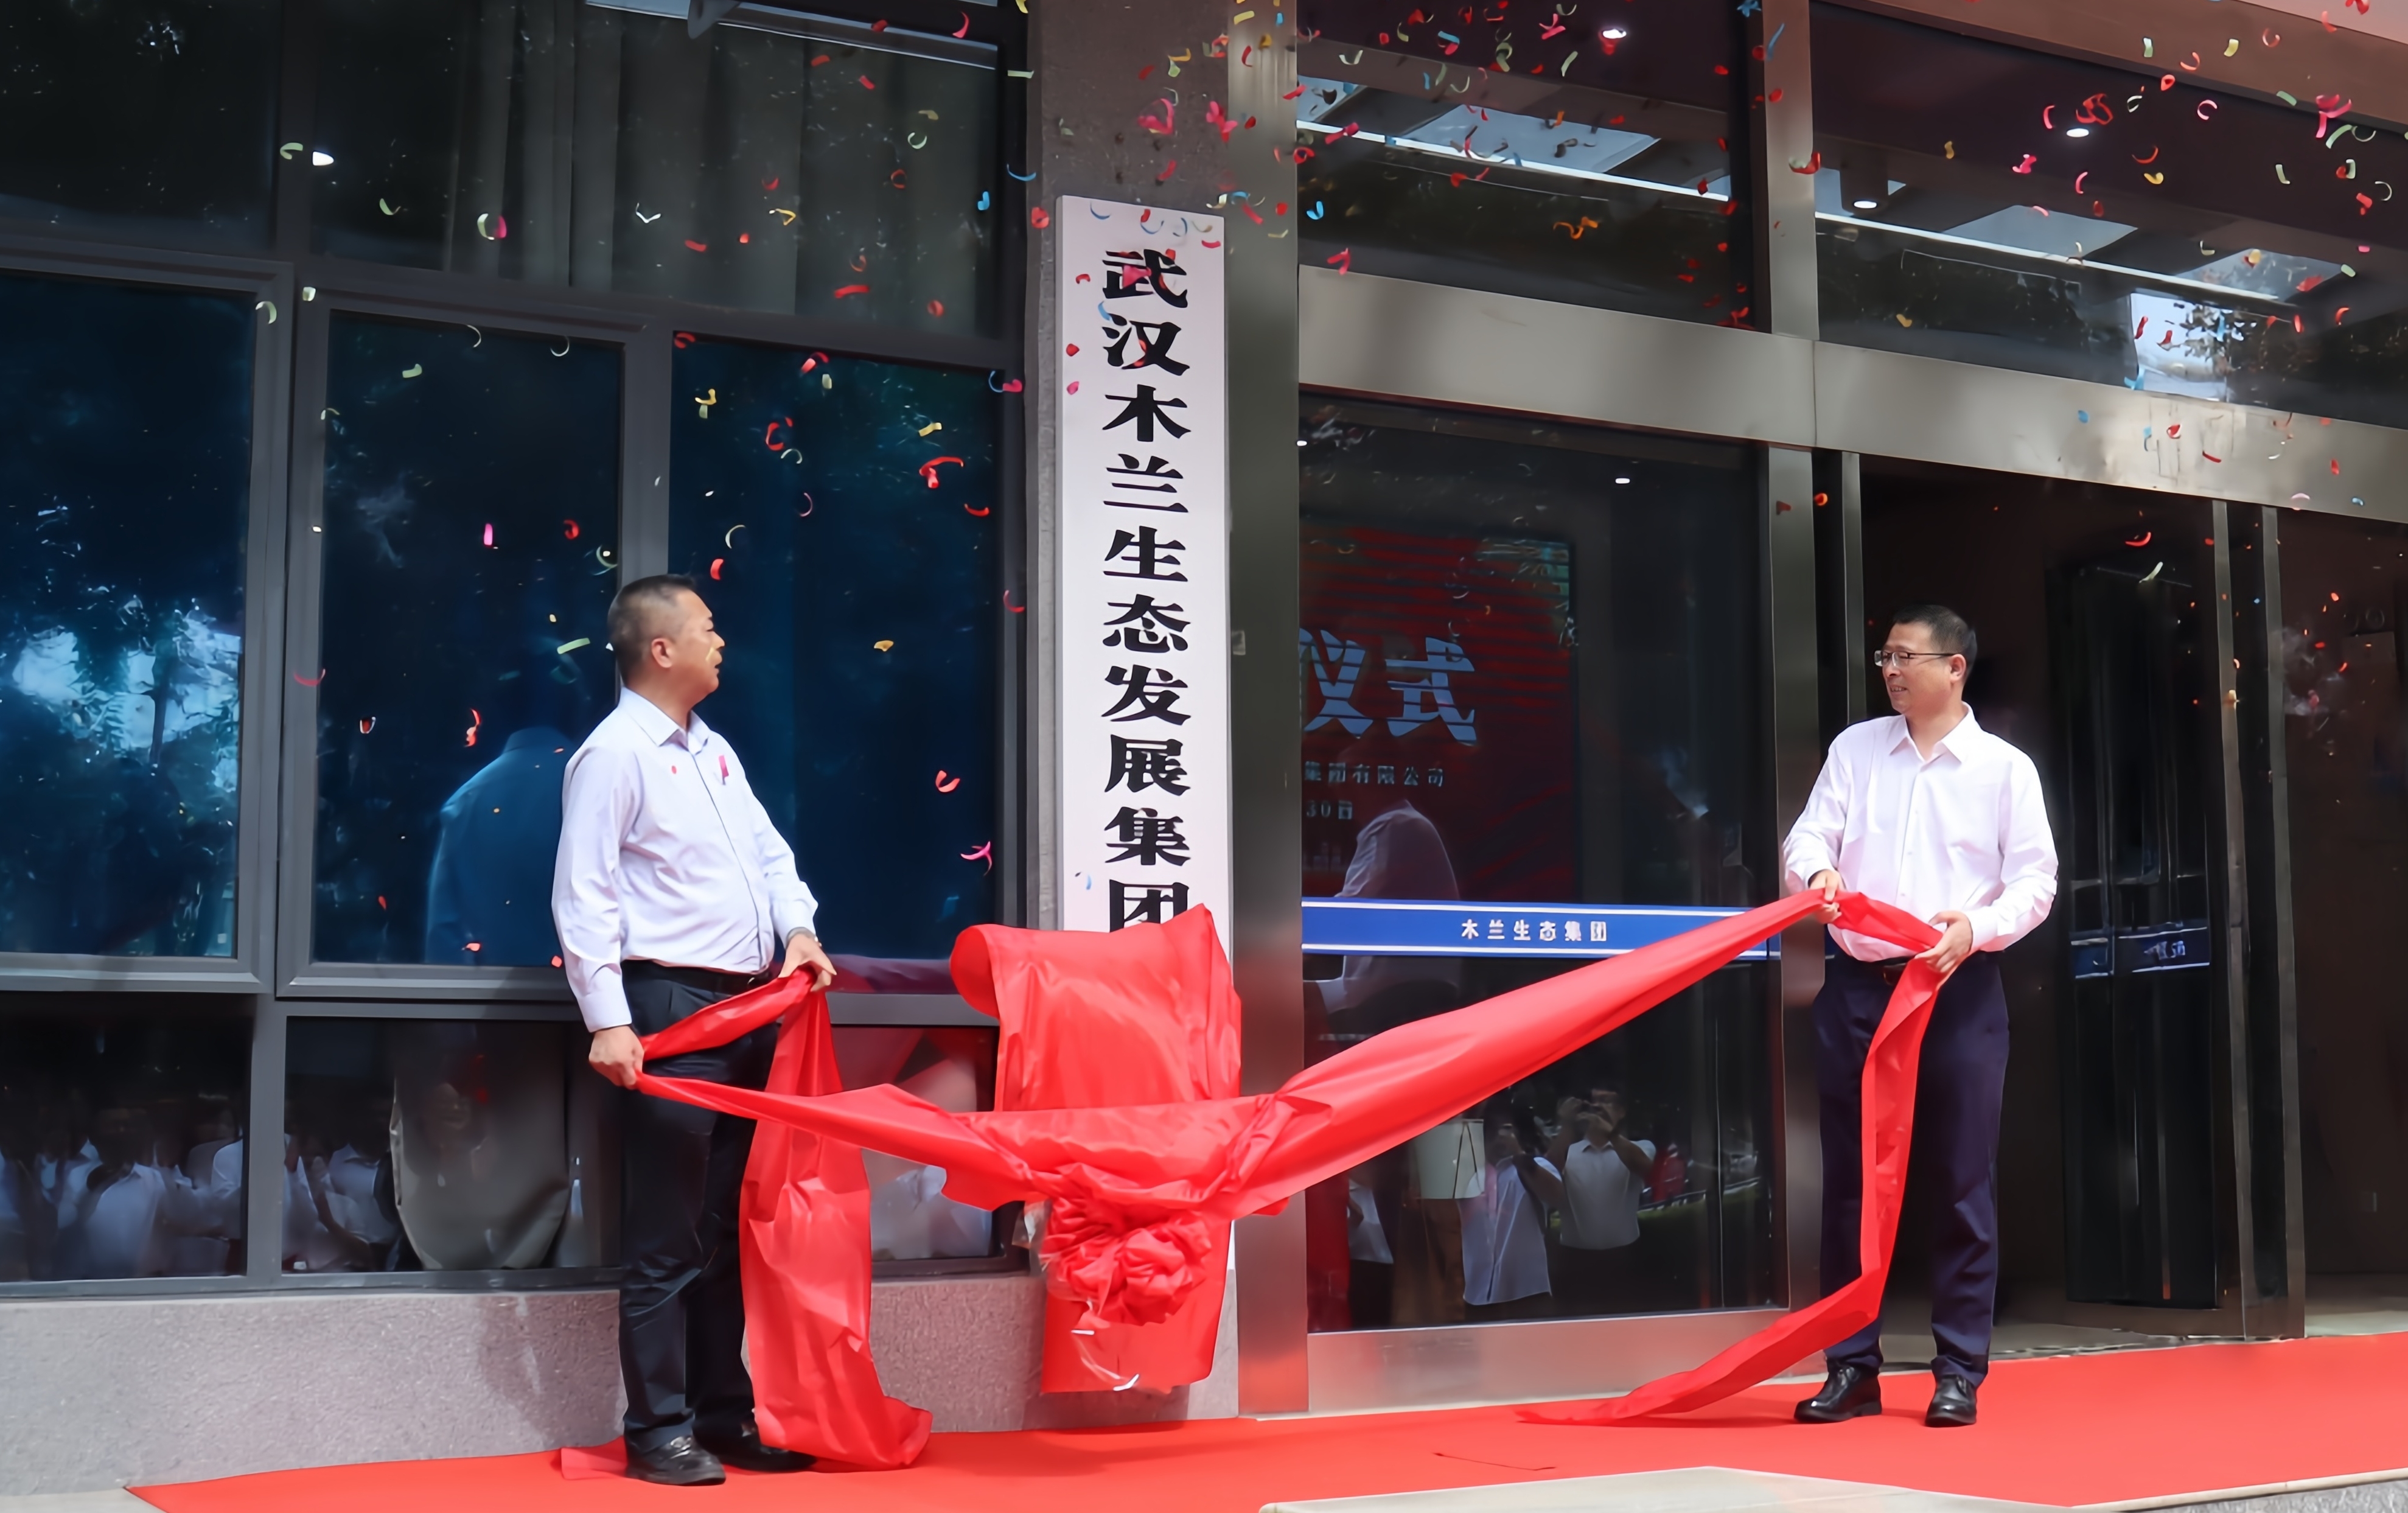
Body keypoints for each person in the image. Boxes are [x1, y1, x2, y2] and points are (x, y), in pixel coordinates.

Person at [553, 574, 836, 1487]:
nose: (722, 641)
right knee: (669, 1236)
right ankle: (657, 1430)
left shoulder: (713, 750)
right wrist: (609, 1019)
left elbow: (771, 856)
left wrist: (798, 929)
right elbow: (584, 894)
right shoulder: (613, 754)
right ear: (661, 648)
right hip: (672, 1010)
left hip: (747, 1009)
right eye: (707, 627)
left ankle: (724, 1413)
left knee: (721, 1230)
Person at [1784, 604, 2056, 1429]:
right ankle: (1851, 1366)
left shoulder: (2004, 769)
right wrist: (1818, 873)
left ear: (1955, 666)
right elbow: (1807, 837)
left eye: (1906, 656)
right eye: (1886, 656)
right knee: (1850, 1185)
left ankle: (1958, 1369)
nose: (1891, 670)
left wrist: (1977, 927)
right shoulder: (1856, 749)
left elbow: (2035, 882)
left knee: (1961, 1178)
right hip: (1860, 989)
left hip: (1956, 989)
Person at [1547, 1087, 1655, 1315]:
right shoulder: (1569, 1151)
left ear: (1622, 1111)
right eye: (1592, 1102)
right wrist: (1567, 1126)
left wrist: (1611, 1135)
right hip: (1575, 1262)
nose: (1597, 1107)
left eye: (1605, 1101)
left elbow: (1644, 1167)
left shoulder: (1640, 1147)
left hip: (1624, 1259)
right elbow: (1547, 1173)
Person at [1459, 1101, 1563, 1321]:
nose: (1500, 1137)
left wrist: (1519, 1155)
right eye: (1491, 1130)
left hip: (1527, 1294)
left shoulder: (1534, 1166)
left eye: (1506, 1129)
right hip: (1476, 1296)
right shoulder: (1466, 1176)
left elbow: (1557, 1197)